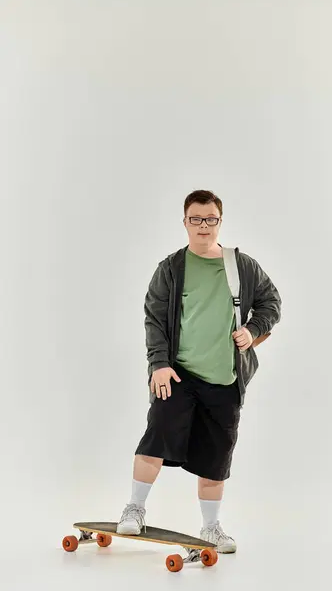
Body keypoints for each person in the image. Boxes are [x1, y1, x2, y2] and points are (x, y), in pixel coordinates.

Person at [116, 190, 282, 553]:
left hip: (225, 380)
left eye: (210, 219)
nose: (203, 226)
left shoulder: (242, 266)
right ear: (185, 222)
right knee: (156, 435)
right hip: (178, 375)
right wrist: (158, 365)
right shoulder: (171, 268)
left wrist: (252, 332)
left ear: (220, 222)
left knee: (216, 456)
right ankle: (134, 508)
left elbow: (272, 303)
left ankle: (210, 528)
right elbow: (154, 318)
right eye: (196, 219)